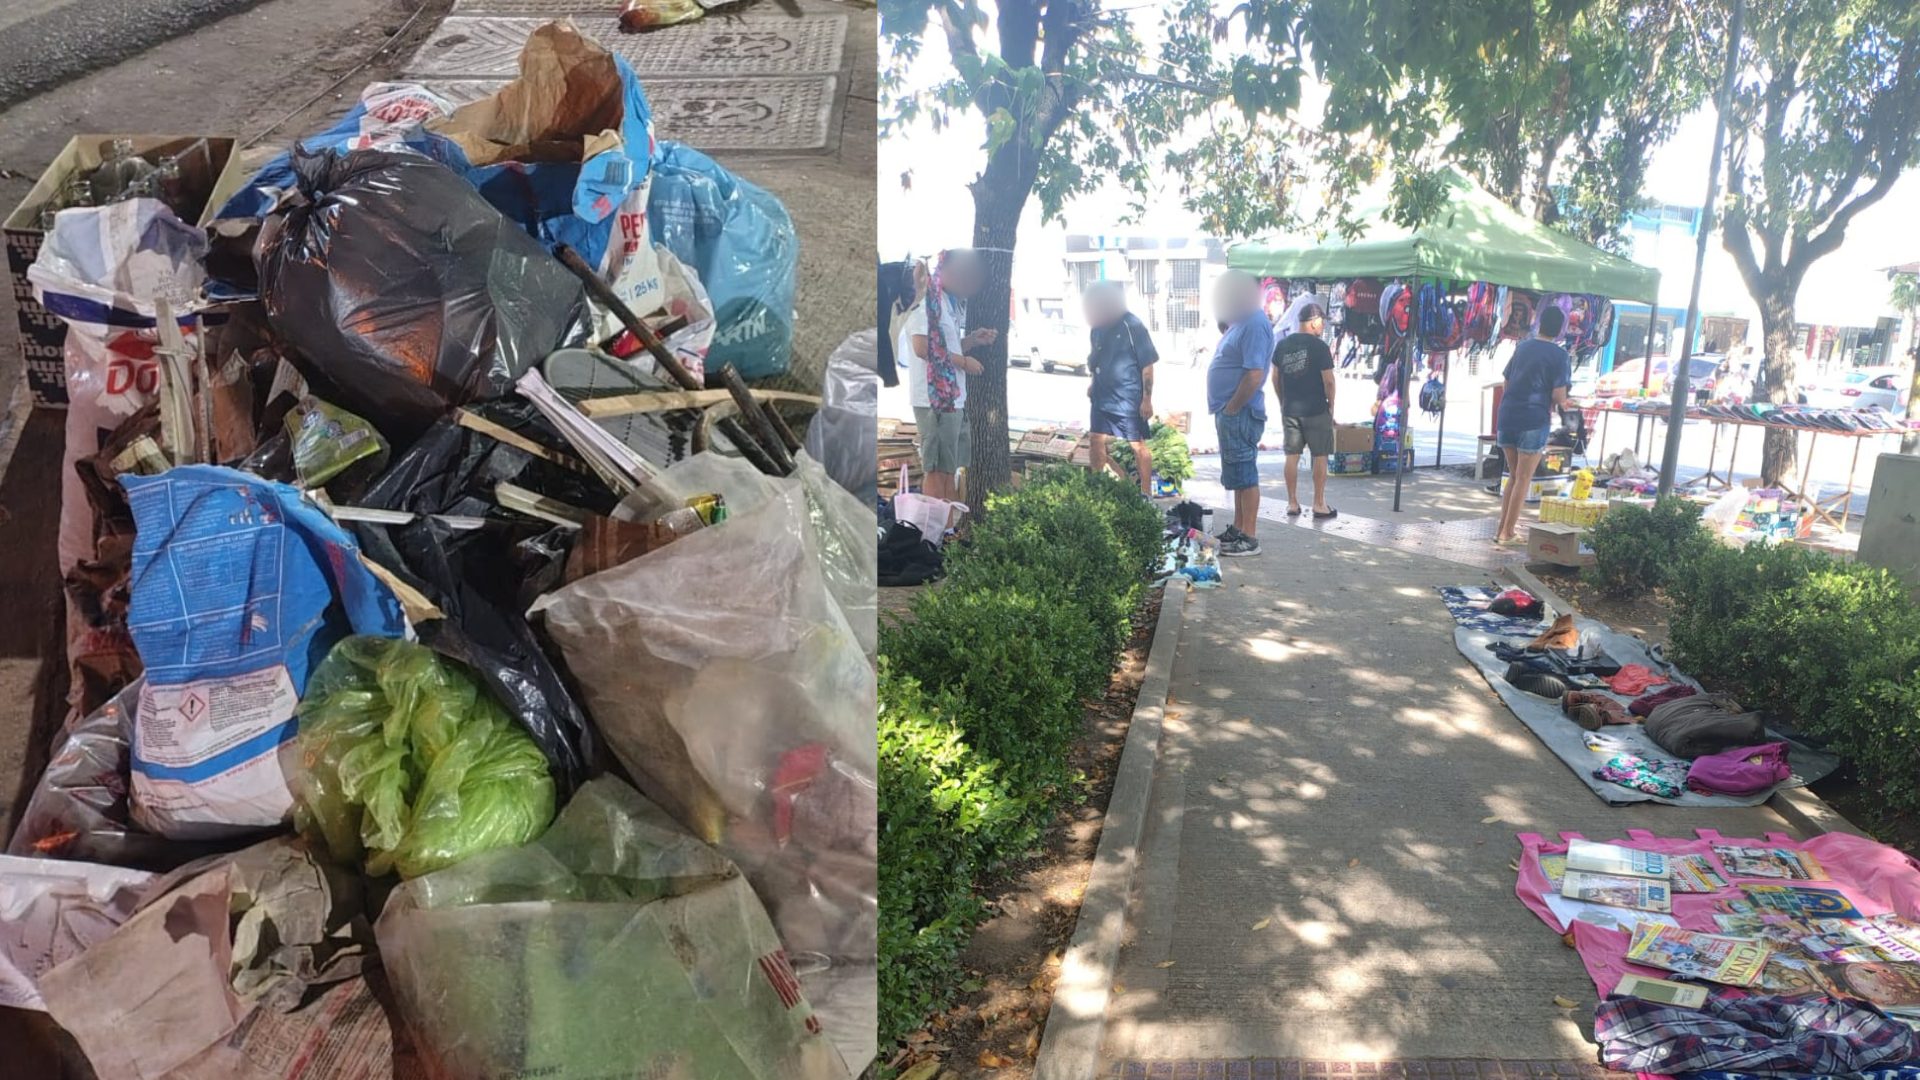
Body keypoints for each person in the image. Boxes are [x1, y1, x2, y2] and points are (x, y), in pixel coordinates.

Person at [903, 249, 995, 502]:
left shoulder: (946, 303)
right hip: (934, 400)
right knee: (937, 471)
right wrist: (963, 362)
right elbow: (922, 348)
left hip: (952, 399)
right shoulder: (924, 303)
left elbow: (946, 348)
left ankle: (946, 527)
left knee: (949, 469)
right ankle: (936, 534)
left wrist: (973, 340)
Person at [1494, 304, 1573, 545]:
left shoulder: (1522, 347)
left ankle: (1502, 529)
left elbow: (1506, 382)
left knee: (1513, 476)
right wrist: (1567, 403)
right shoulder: (1560, 356)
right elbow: (1559, 397)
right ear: (1560, 330)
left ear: (1539, 323)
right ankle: (1507, 533)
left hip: (1507, 415)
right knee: (1523, 478)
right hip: (1534, 418)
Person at [1207, 271, 1272, 556]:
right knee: (1235, 473)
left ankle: (1250, 536)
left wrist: (1233, 406)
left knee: (1245, 473)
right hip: (1231, 411)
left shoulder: (1255, 323)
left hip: (1241, 412)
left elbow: (1254, 373)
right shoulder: (1241, 322)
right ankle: (1238, 526)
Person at [1083, 282, 1159, 496]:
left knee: (1137, 445)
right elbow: (1097, 357)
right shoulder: (1097, 326)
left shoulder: (1132, 325)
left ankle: (1145, 495)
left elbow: (1147, 364)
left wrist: (1147, 399)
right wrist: (1092, 383)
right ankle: (1099, 488)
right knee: (1095, 440)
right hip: (1101, 397)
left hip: (1127, 398)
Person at [1271, 297, 1339, 520]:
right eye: (1322, 322)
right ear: (1314, 322)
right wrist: (1331, 407)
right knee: (1320, 455)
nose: (1323, 326)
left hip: (1290, 409)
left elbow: (1275, 377)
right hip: (1316, 409)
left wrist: (1283, 400)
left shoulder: (1282, 345)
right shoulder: (1320, 347)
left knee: (1292, 455)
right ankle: (1319, 504)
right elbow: (1329, 381)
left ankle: (1292, 502)